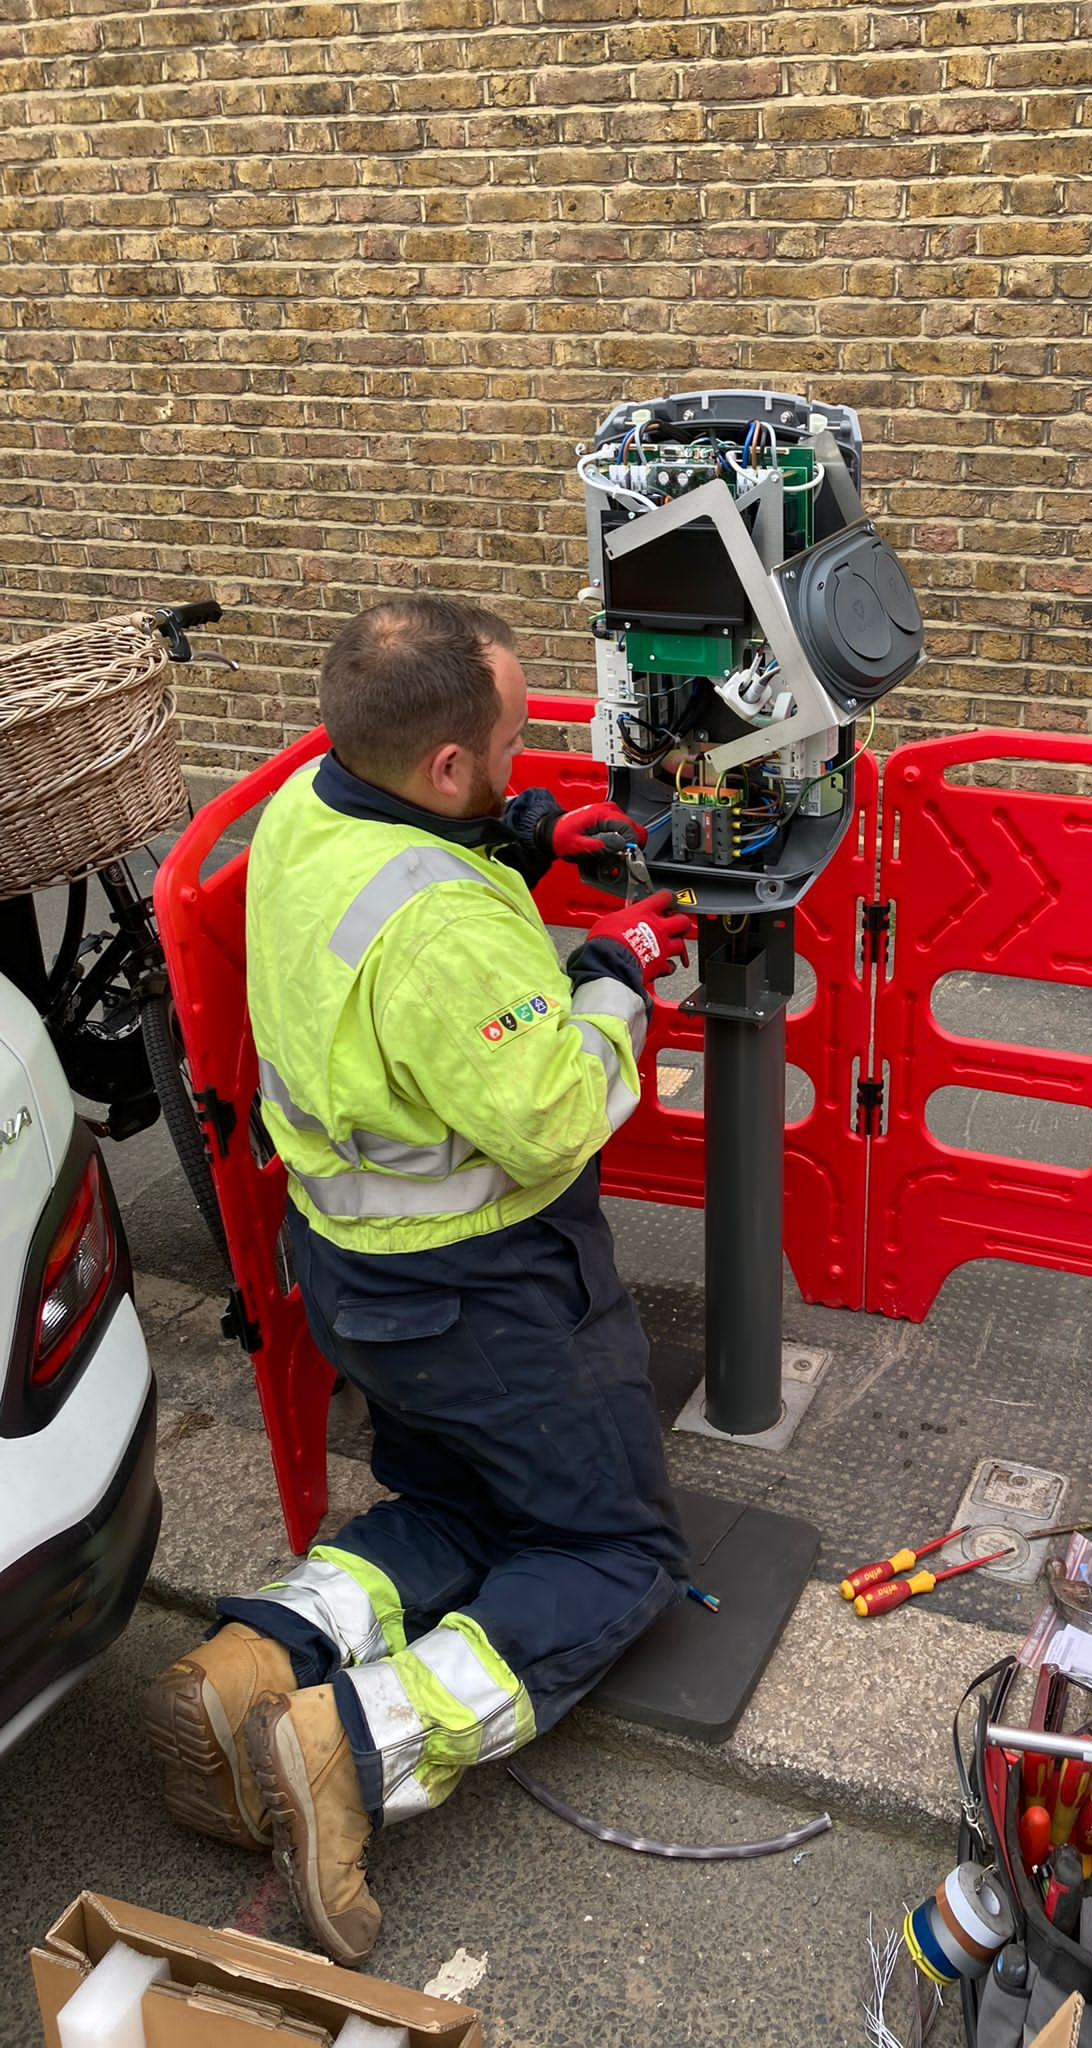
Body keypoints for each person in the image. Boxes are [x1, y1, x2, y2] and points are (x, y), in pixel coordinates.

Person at [142, 595, 693, 1962]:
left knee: (451, 1497)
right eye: (506, 746)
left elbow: (402, 852)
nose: (517, 762)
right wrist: (620, 975)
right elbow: (556, 1112)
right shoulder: (448, 936)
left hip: (352, 1277)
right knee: (613, 1552)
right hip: (492, 1296)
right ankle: (362, 1747)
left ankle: (250, 1664)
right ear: (445, 765)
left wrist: (528, 831)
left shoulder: (300, 818)